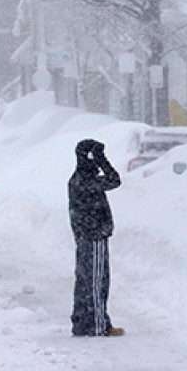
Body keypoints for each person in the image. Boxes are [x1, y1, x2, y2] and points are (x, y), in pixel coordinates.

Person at [68, 139, 124, 337]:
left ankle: (81, 322)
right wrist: (102, 159)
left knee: (84, 281)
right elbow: (115, 180)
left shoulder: (77, 178)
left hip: (85, 236)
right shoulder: (87, 181)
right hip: (94, 235)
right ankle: (98, 325)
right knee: (97, 282)